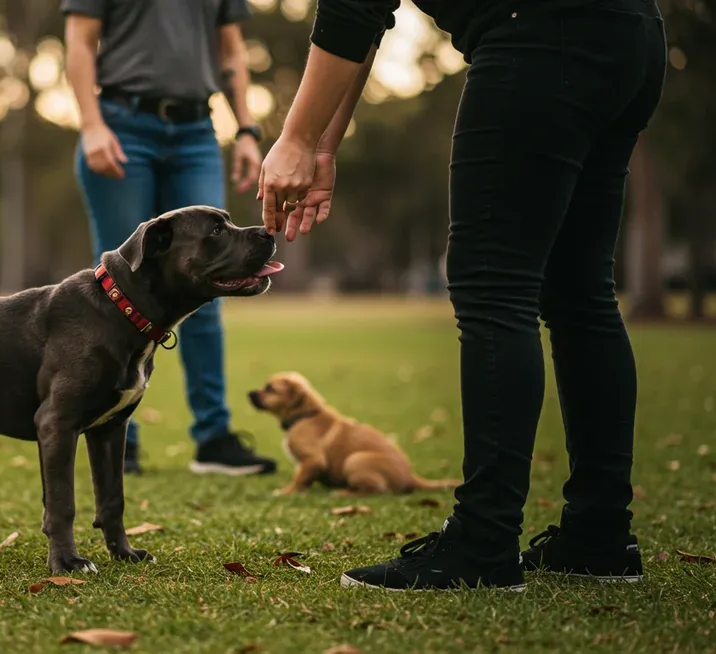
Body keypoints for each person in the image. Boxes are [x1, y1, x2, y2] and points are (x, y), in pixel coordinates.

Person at [258, 0, 665, 590]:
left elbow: (351, 6)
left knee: (495, 291)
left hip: (539, 40)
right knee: (581, 293)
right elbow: (364, 19)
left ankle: (483, 541)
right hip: (633, 35)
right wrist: (322, 146)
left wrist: (294, 138)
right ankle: (599, 535)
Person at [62, 0, 278, 477]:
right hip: (121, 121)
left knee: (214, 273)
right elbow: (79, 40)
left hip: (197, 131)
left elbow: (231, 53)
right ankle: (119, 435)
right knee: (120, 284)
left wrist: (245, 128)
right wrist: (91, 124)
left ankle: (213, 438)